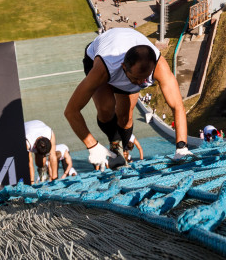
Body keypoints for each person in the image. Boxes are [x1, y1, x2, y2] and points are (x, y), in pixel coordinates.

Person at [64, 27, 191, 171]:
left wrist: (182, 147)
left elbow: (177, 106)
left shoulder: (159, 66)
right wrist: (92, 146)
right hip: (101, 60)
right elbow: (71, 111)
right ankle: (114, 141)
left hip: (125, 66)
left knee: (125, 118)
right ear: (124, 67)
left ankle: (123, 147)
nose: (140, 83)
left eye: (145, 78)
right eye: (137, 78)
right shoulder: (104, 67)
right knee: (106, 108)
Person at [24, 119, 57, 183]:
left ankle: (42, 172)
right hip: (26, 129)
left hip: (38, 125)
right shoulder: (27, 142)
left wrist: (54, 178)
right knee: (27, 161)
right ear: (35, 147)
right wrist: (32, 181)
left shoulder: (50, 134)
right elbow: (29, 162)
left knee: (40, 164)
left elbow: (53, 156)